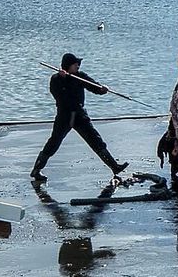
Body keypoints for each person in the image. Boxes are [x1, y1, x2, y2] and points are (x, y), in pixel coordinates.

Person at [30, 53, 129, 181]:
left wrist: (102, 89)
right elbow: (58, 95)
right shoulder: (56, 79)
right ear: (68, 65)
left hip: (80, 116)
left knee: (96, 140)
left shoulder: (81, 76)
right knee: (54, 143)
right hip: (64, 117)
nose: (78, 65)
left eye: (78, 63)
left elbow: (93, 87)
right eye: (75, 64)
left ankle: (114, 167)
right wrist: (63, 79)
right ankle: (36, 170)